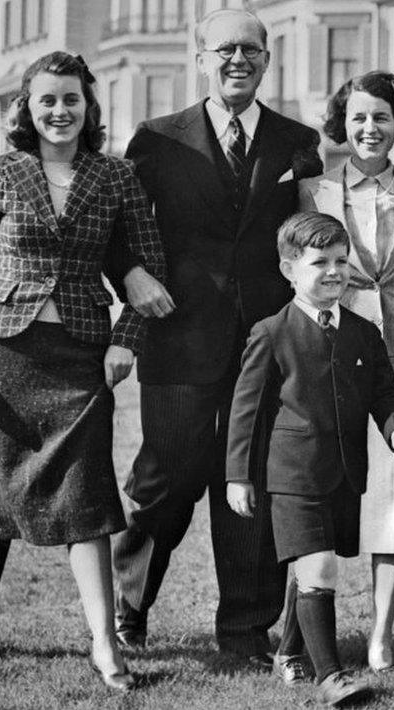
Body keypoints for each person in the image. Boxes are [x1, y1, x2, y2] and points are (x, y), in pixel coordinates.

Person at [0, 51, 166, 692]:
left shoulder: (116, 177)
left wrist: (127, 341)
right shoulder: (0, 173)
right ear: (28, 108)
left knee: (86, 495)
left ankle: (104, 644)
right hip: (2, 352)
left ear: (89, 106)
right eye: (47, 100)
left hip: (82, 356)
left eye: (71, 99)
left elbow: (150, 265)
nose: (60, 111)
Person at [105, 8, 323, 660]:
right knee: (163, 480)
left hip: (265, 348)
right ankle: (129, 608)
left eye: (250, 50)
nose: (238, 60)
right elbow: (117, 230)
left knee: (249, 483)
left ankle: (245, 631)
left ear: (267, 57)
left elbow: (314, 231)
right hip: (178, 341)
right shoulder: (156, 139)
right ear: (201, 57)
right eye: (224, 49)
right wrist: (133, 275)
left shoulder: (296, 140)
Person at [298, 70, 394, 672]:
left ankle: (381, 635)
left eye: (381, 117)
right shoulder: (311, 192)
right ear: (343, 123)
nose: (370, 128)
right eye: (359, 117)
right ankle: (313, 633)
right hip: (330, 362)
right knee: (323, 494)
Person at [226, 212, 394, 707]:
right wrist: (238, 477)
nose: (334, 271)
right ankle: (332, 677)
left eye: (341, 261)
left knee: (312, 568)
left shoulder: (362, 331)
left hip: (345, 473)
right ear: (289, 268)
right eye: (319, 262)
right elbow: (245, 412)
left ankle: (290, 651)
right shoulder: (270, 332)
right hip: (292, 474)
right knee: (320, 568)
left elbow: (386, 392)